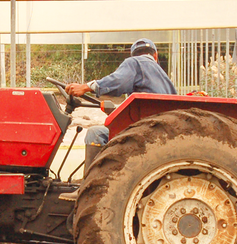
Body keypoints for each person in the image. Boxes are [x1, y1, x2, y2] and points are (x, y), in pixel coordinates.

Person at [60, 38, 177, 201]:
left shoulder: (136, 62)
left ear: (133, 55)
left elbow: (118, 82)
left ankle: (88, 189)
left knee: (95, 133)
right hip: (159, 130)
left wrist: (86, 87)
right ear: (156, 56)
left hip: (143, 131)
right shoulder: (166, 81)